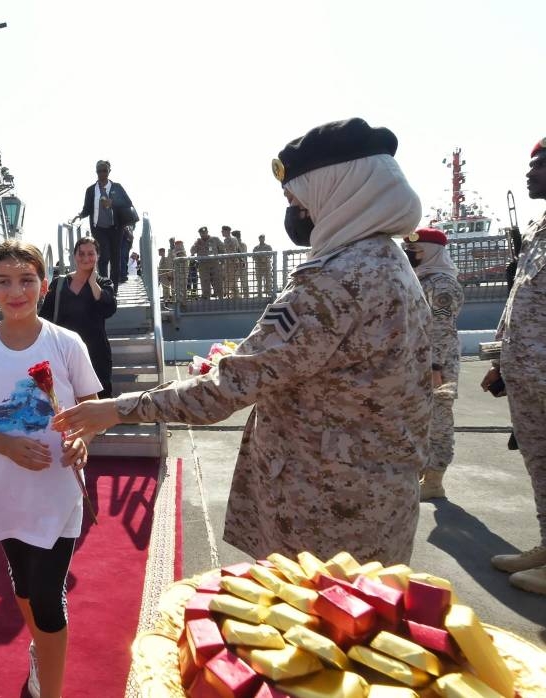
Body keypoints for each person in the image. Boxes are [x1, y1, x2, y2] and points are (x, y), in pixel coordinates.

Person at [54, 118, 431, 566]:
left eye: (297, 201)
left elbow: (225, 390)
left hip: (325, 519)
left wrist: (115, 410)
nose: (295, 213)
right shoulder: (388, 261)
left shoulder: (332, 280)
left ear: (333, 192)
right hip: (370, 504)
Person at [0, 240, 100, 698]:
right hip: (6, 492)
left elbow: (91, 408)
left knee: (48, 596)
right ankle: (40, 650)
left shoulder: (66, 343)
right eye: (5, 281)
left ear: (44, 285)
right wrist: (7, 447)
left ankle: (48, 689)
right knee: (25, 585)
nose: (16, 292)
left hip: (59, 492)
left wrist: (83, 441)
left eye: (27, 280)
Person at [483, 137, 546, 595]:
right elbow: (518, 300)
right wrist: (501, 362)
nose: (530, 171)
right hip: (528, 373)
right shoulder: (539, 227)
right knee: (539, 464)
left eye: (541, 164)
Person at [402, 228, 463, 501]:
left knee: (438, 420)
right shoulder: (420, 279)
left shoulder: (442, 285)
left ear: (432, 252)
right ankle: (422, 472)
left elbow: (442, 328)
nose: (409, 255)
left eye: (415, 250)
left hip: (436, 364)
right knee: (417, 418)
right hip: (417, 362)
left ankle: (435, 480)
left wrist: (435, 367)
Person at [40, 237, 117, 398]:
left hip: (95, 353)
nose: (86, 258)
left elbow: (109, 309)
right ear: (74, 256)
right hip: (63, 352)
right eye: (81, 254)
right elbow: (44, 318)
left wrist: (93, 282)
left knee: (100, 401)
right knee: (65, 399)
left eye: (91, 254)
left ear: (98, 256)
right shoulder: (59, 284)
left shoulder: (104, 283)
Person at [72, 160, 134, 292]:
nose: (102, 173)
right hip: (98, 228)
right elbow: (87, 208)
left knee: (115, 257)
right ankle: (106, 286)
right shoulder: (90, 190)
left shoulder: (117, 187)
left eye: (104, 170)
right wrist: (80, 215)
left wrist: (112, 203)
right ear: (96, 172)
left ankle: (114, 288)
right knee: (104, 255)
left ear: (109, 171)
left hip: (116, 228)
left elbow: (128, 203)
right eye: (99, 171)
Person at [190, 226, 222, 300]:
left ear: (207, 232)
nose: (203, 234)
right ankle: (206, 297)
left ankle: (220, 297)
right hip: (203, 265)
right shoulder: (198, 241)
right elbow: (192, 251)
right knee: (205, 281)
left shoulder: (215, 239)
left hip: (214, 263)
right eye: (201, 233)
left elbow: (222, 249)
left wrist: (222, 261)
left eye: (204, 233)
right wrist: (196, 245)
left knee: (217, 280)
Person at [220, 225, 241, 298]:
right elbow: (238, 250)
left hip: (231, 262)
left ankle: (228, 294)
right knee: (231, 280)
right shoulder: (230, 239)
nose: (222, 232)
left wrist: (236, 262)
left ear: (227, 231)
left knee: (231, 279)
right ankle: (235, 296)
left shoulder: (231, 239)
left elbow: (234, 251)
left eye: (223, 231)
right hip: (229, 262)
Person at [233, 230, 250, 297]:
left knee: (243, 282)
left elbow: (242, 255)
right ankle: (237, 295)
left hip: (241, 266)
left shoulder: (242, 245)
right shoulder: (241, 244)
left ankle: (244, 296)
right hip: (237, 266)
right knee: (235, 282)